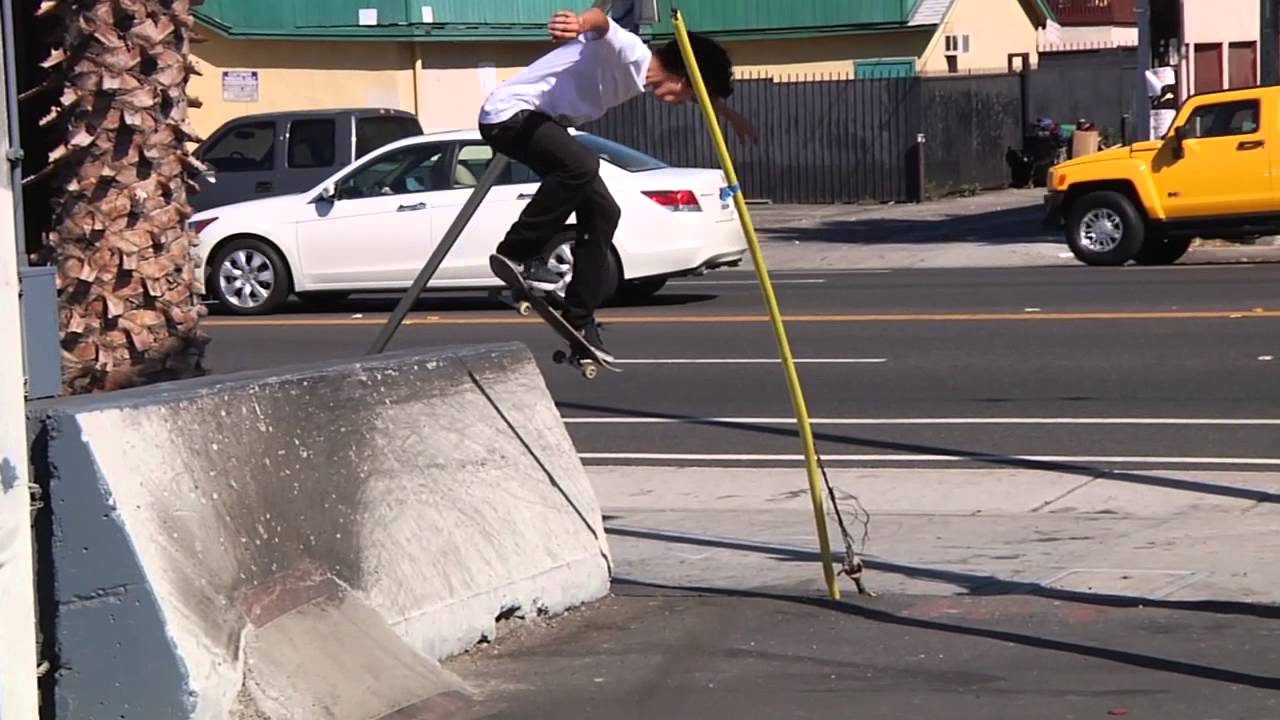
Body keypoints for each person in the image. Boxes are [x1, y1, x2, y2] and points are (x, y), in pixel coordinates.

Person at [479, 5, 753, 361]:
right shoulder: (633, 52)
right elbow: (600, 21)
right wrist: (579, 24)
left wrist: (730, 115)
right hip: (510, 115)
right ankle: (517, 252)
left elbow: (705, 91)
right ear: (685, 79)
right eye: (691, 96)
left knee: (605, 211)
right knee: (581, 167)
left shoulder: (647, 73)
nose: (685, 104)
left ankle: (579, 318)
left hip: (538, 122)